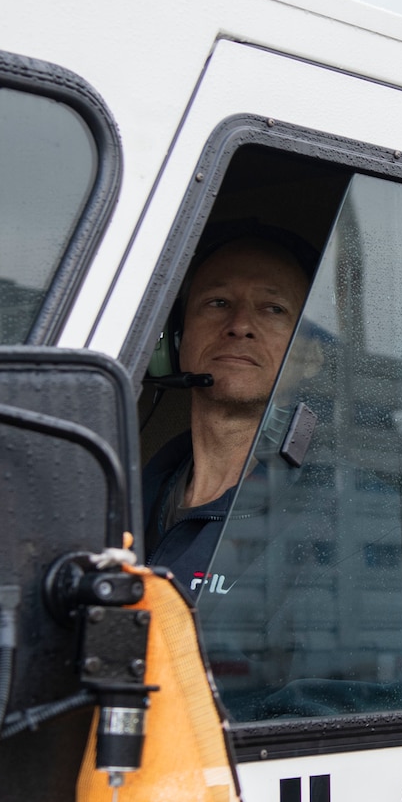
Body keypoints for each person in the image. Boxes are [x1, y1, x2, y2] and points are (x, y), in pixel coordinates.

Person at [141, 227, 316, 595]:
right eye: (218, 302)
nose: (240, 326)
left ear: (312, 356)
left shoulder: (337, 514)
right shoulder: (126, 490)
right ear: (176, 340)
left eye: (273, 309)